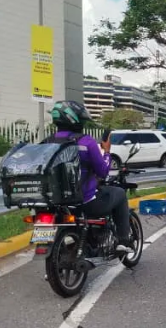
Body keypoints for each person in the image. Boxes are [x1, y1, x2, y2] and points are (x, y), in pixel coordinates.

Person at [49, 100, 133, 253]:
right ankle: (124, 241)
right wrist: (107, 151)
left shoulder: (47, 142)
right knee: (120, 194)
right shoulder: (86, 142)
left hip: (57, 204)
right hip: (84, 202)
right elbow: (103, 172)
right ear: (74, 119)